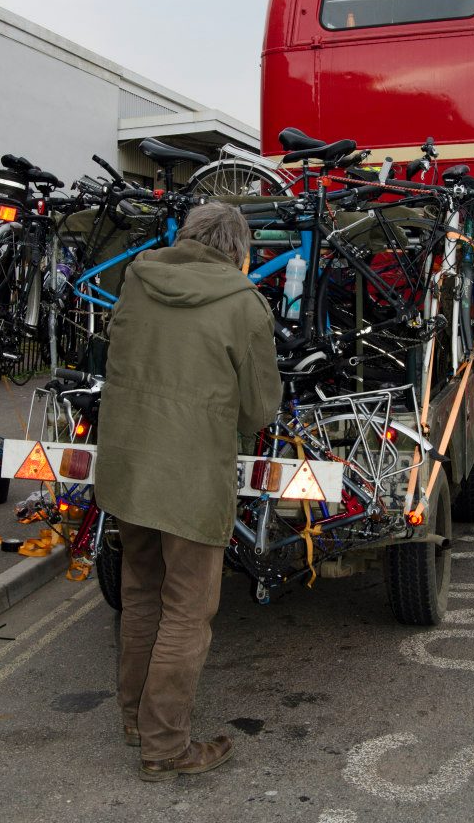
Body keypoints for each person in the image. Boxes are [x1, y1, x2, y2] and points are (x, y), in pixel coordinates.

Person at [95, 202, 282, 782]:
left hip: (128, 466)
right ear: (238, 249)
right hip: (191, 475)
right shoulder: (242, 303)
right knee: (187, 609)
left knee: (142, 592)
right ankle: (167, 746)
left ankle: (135, 720)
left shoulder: (139, 278)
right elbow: (259, 406)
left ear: (188, 238)